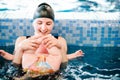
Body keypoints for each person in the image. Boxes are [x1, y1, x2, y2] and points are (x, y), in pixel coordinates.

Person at [0, 2, 84, 79]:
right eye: (39, 23)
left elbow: (64, 64)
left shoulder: (60, 40)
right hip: (27, 74)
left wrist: (60, 47)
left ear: (53, 24)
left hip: (53, 75)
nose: (44, 28)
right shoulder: (22, 40)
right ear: (33, 23)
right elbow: (15, 64)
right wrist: (20, 48)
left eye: (48, 24)